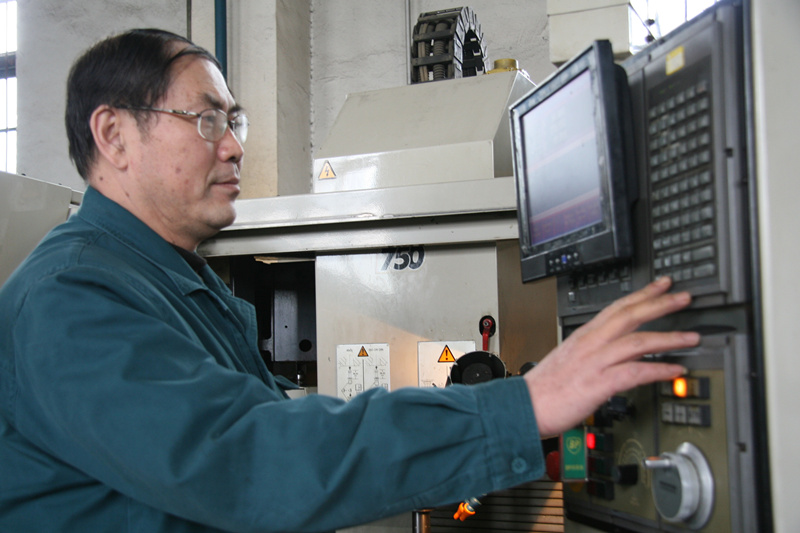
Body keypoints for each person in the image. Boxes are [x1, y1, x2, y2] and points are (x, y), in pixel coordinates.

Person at [0, 29, 699, 533]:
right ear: (114, 136)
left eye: (235, 121)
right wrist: (523, 407)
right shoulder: (71, 298)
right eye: (207, 119)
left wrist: (519, 445)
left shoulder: (180, 284)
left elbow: (280, 429)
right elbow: (250, 459)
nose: (235, 145)